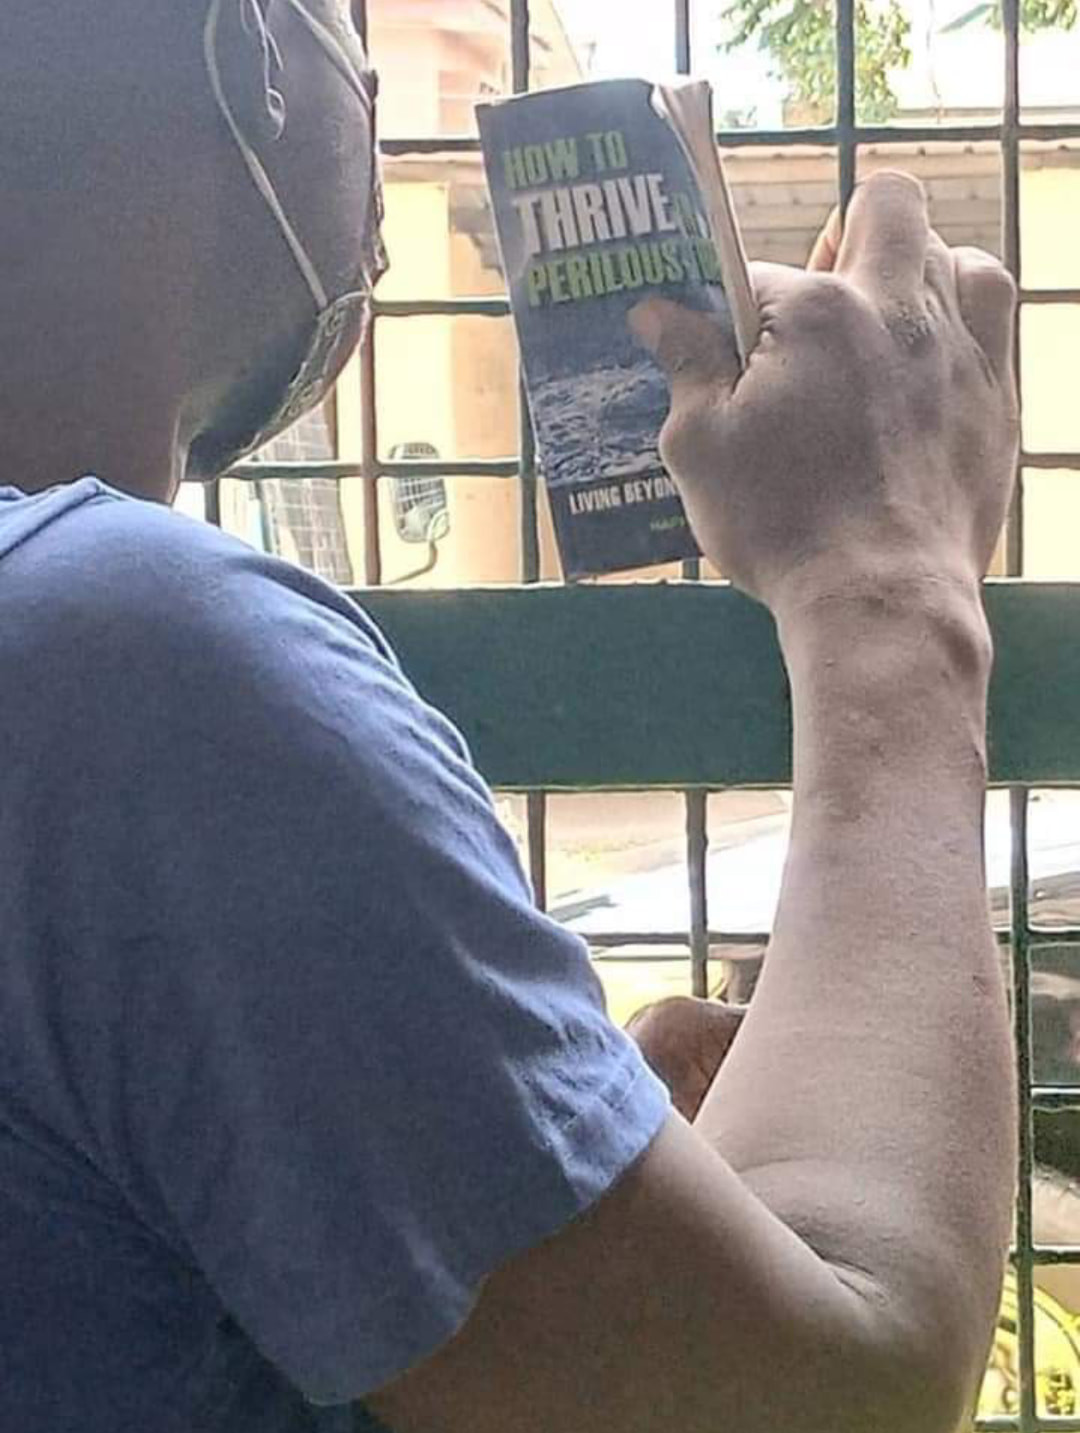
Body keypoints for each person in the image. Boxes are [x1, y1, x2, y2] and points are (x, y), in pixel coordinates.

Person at [0, 4, 1018, 1432]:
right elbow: (841, 1394)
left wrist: (560, 1165)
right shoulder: (120, 663)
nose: (369, 88)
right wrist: (892, 583)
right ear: (249, 56)